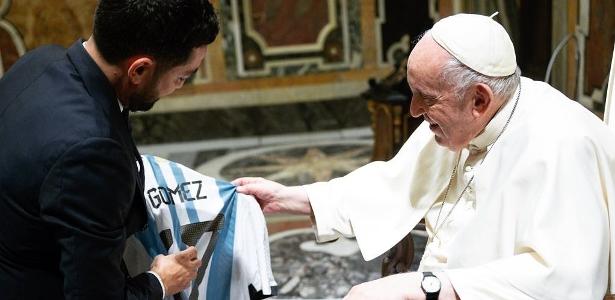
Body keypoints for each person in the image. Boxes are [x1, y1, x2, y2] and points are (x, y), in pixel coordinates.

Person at [234, 13, 615, 299]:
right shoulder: (464, 116)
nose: (414, 110)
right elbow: (392, 184)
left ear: (479, 99)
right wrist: (289, 197)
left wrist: (424, 287)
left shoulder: (562, 145)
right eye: (412, 91)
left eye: (426, 98)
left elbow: (564, 280)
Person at [0, 0, 218, 299]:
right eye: (182, 76)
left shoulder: (40, 60)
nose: (179, 86)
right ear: (139, 70)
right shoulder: (92, 154)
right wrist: (159, 281)